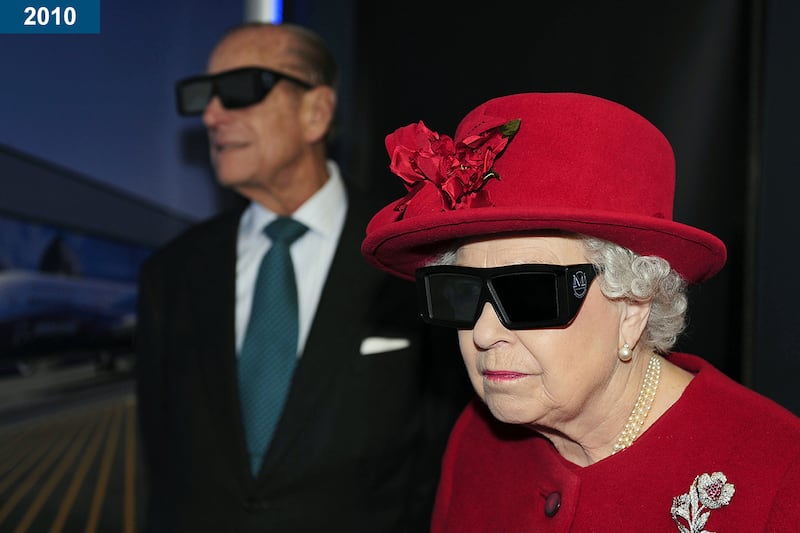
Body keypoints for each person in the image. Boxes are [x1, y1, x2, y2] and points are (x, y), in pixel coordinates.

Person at [361, 92, 800, 531]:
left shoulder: (780, 476)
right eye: (460, 292)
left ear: (632, 305)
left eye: (529, 294)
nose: (483, 332)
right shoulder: (477, 439)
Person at [135, 22, 470, 532]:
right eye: (203, 95)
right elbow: (161, 456)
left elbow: (439, 448)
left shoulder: (411, 251)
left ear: (316, 112)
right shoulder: (171, 273)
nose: (210, 115)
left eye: (240, 89)